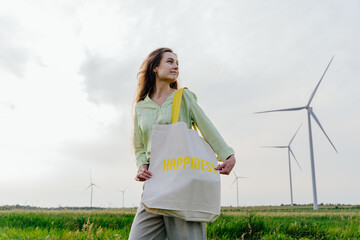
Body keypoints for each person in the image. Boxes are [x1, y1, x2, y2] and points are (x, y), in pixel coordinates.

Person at [129, 47, 236, 240]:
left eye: (177, 63)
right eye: (170, 61)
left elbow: (207, 127)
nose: (176, 66)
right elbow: (139, 145)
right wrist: (141, 165)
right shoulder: (141, 106)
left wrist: (227, 155)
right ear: (154, 67)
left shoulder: (183, 97)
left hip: (182, 183)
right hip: (155, 183)